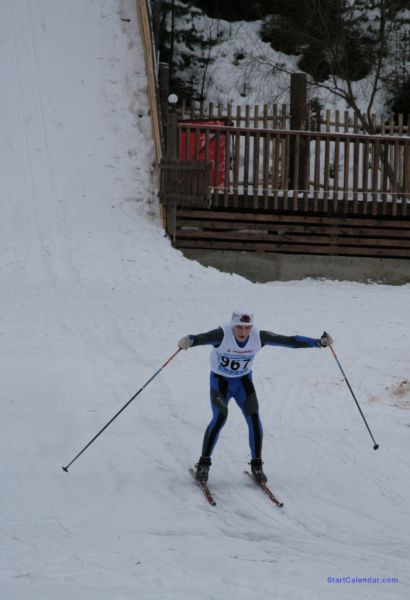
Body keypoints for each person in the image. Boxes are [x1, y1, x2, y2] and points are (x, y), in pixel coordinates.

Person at [178, 308, 333, 484]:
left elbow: (289, 341)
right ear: (232, 325)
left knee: (254, 419)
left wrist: (318, 343)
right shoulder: (222, 334)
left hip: (243, 383)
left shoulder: (259, 336)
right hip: (220, 382)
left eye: (247, 327)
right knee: (220, 417)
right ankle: (204, 464)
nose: (243, 332)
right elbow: (200, 338)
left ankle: (257, 465)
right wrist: (188, 340)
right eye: (239, 327)